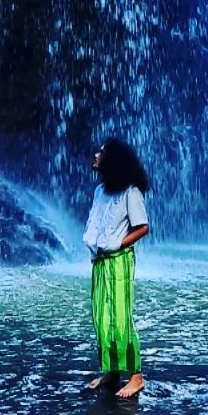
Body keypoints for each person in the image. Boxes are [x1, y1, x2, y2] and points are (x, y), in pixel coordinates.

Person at [82, 136, 150, 399]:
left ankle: (136, 376)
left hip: (119, 260)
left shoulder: (130, 193)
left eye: (101, 152)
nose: (95, 155)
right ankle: (111, 372)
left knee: (121, 318)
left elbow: (142, 227)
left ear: (113, 161)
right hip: (99, 261)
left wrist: (118, 244)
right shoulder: (100, 191)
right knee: (101, 317)